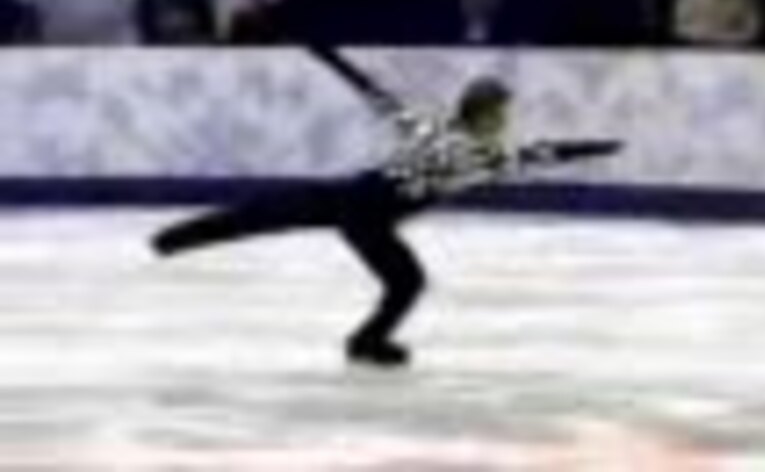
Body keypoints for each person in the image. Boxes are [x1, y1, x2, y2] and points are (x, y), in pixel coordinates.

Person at [151, 48, 620, 367]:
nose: (504, 120)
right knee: (406, 281)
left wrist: (329, 56)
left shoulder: (435, 131)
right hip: (367, 215)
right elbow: (543, 153)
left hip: (348, 197)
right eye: (500, 112)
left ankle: (170, 241)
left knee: (256, 217)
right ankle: (367, 342)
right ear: (483, 114)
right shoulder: (478, 154)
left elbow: (375, 94)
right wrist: (598, 147)